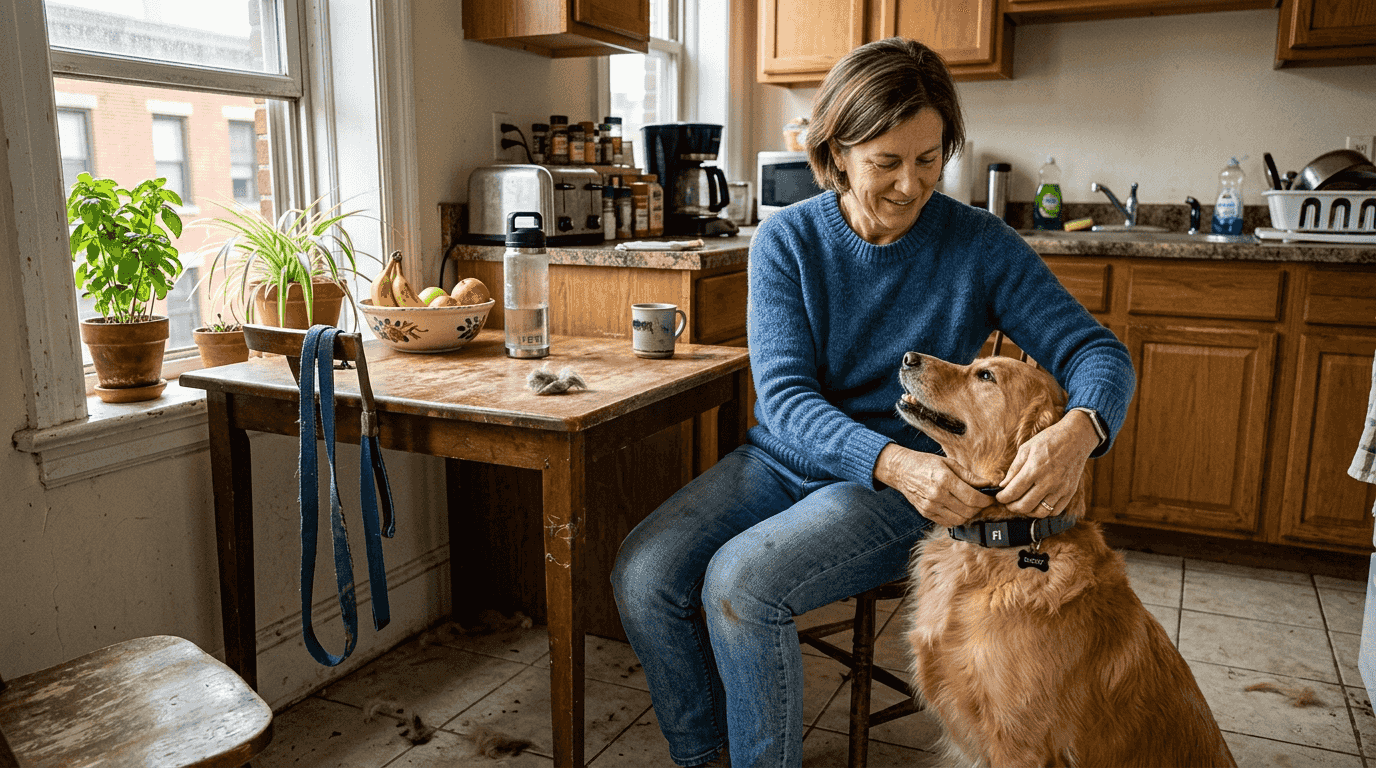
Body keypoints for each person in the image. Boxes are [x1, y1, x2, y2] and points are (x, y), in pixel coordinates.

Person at [611, 37, 1135, 768]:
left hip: (922, 490)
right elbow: (787, 401)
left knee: (741, 584)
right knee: (645, 573)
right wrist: (888, 460)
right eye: (886, 161)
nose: (911, 184)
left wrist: (1081, 428)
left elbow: (1098, 352)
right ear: (835, 150)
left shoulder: (979, 245)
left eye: (929, 159)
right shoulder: (786, 240)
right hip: (800, 463)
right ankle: (706, 756)